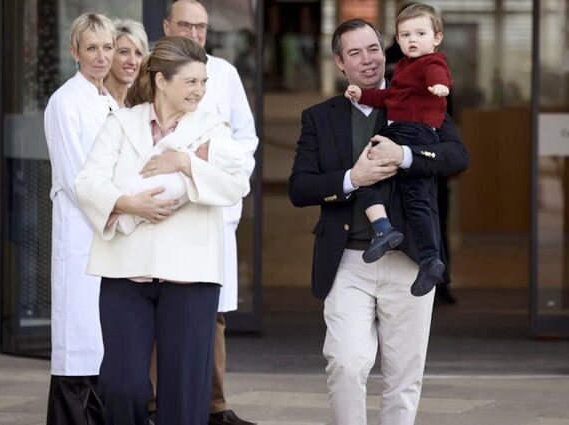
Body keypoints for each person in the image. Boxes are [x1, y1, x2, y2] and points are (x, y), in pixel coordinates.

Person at [288, 18, 469, 425]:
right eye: (354, 52)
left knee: (404, 376)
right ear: (339, 62)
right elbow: (299, 188)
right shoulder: (319, 117)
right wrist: (354, 179)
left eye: (373, 48)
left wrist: (405, 158)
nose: (367, 59)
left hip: (410, 262)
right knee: (346, 363)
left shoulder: (418, 98)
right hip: (349, 261)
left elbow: (458, 157)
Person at [74, 35, 249, 425]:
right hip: (125, 272)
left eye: (204, 82)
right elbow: (87, 182)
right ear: (160, 80)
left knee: (184, 393)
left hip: (192, 275)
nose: (200, 91)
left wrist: (184, 162)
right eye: (191, 82)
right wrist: (127, 204)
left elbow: (237, 184)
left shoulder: (213, 128)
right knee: (123, 385)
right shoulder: (121, 122)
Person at [161, 2, 259, 425]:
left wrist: (217, 179)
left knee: (211, 311)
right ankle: (154, 404)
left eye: (201, 26)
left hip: (211, 209)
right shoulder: (153, 74)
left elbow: (245, 140)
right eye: (186, 25)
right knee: (157, 304)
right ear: (166, 27)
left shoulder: (225, 74)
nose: (195, 33)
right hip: (161, 211)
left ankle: (214, 406)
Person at [343, 2, 452, 297]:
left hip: (413, 131)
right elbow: (389, 96)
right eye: (405, 35)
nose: (412, 40)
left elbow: (438, 75)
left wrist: (440, 87)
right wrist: (363, 95)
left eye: (420, 33)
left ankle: (386, 230)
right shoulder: (404, 66)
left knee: (367, 173)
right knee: (405, 195)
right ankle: (427, 257)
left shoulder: (431, 63)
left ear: (436, 38)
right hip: (404, 129)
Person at [42, 13, 118, 425]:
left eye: (107, 47)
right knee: (77, 342)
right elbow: (76, 181)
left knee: (98, 342)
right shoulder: (65, 102)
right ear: (74, 52)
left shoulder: (107, 99)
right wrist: (123, 213)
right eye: (91, 47)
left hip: (106, 235)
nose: (101, 56)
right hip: (82, 232)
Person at [104, 19, 148, 108]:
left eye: (138, 53)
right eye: (124, 52)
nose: (132, 61)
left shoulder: (141, 105)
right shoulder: (93, 102)